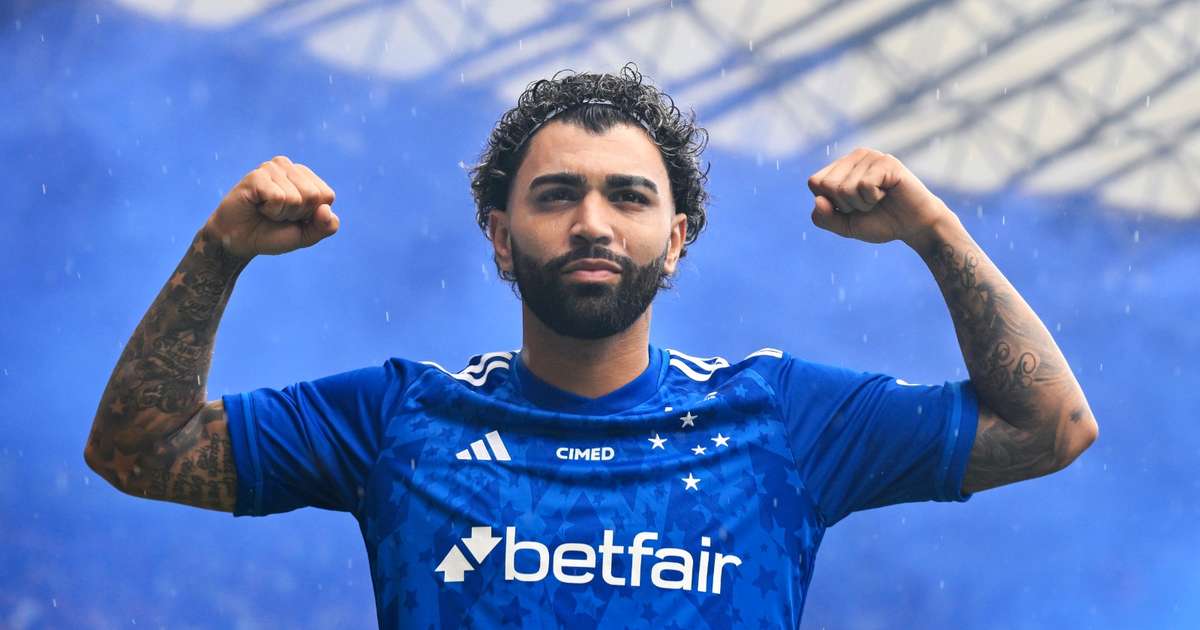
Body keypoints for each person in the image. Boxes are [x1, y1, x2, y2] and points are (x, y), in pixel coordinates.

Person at [84, 64, 1097, 628]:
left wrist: (936, 232)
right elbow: (138, 448)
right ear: (499, 233)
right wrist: (219, 252)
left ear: (678, 237)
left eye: (628, 195)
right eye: (557, 193)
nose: (594, 223)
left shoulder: (781, 417)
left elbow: (1050, 427)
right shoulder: (401, 415)